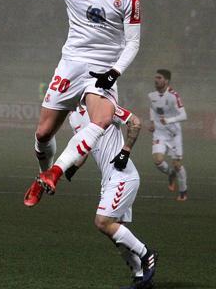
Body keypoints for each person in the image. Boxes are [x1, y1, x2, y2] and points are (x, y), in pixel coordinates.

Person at [0, 0, 141, 207]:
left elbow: (133, 43)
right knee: (42, 135)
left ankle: (57, 171)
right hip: (70, 67)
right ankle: (44, 175)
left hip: (103, 71)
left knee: (99, 120)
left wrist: (114, 72)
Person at [66, 103, 157, 289]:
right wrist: (71, 168)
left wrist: (126, 151)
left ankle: (146, 254)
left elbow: (135, 123)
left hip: (122, 175)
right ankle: (140, 277)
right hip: (108, 180)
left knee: (102, 222)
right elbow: (84, 148)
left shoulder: (104, 104)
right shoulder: (73, 117)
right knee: (115, 233)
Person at [147, 69, 189, 201]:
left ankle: (183, 191)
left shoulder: (173, 96)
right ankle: (171, 174)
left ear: (166, 81)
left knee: (177, 164)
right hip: (159, 133)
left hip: (174, 135)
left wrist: (169, 120)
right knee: (158, 161)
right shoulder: (152, 96)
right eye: (155, 77)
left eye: (159, 78)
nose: (156, 80)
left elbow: (184, 115)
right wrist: (153, 122)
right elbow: (152, 109)